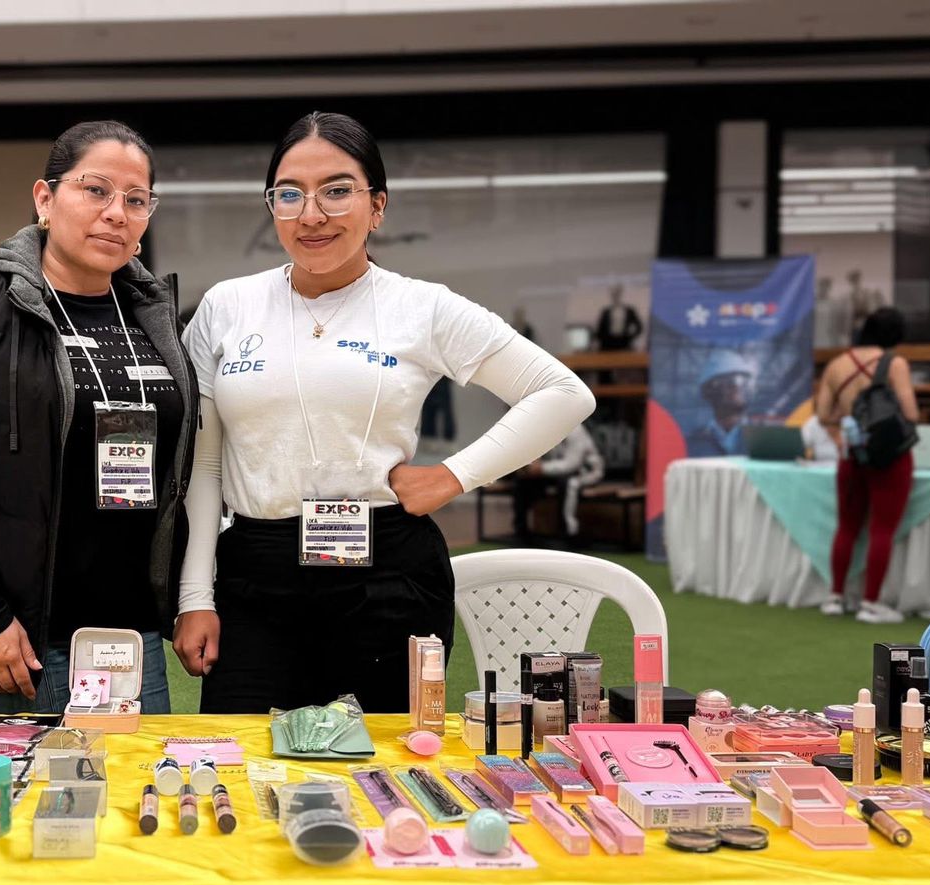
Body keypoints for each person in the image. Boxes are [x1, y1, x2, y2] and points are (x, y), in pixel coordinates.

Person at [176, 112, 595, 713]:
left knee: (388, 757)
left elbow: (562, 393)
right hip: (254, 576)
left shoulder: (421, 307)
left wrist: (452, 476)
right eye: (290, 194)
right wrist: (196, 597)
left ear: (377, 206)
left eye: (336, 191)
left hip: (386, 577)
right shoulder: (227, 306)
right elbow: (205, 466)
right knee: (240, 753)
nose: (311, 214)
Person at [0, 121, 197, 715]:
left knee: (135, 776)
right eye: (96, 190)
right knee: (23, 779)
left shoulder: (150, 315)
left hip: (127, 633)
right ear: (45, 198)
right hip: (13, 636)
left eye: (135, 200)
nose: (116, 213)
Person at [814, 307, 918, 624]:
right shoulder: (895, 364)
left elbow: (822, 415)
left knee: (847, 526)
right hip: (889, 457)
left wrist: (845, 427)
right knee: (882, 529)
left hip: (852, 453)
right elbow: (911, 413)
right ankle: (870, 603)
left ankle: (835, 596)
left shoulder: (836, 365)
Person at [512, 423, 605, 542]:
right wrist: (529, 465)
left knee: (569, 484)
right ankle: (522, 531)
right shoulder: (546, 427)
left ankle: (568, 532)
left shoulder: (575, 428)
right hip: (556, 471)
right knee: (523, 482)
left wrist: (541, 468)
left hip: (586, 471)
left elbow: (572, 464)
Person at [685, 349, 757, 457]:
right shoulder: (692, 444)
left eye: (743, 381)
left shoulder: (764, 439)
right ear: (708, 391)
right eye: (728, 381)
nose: (736, 386)